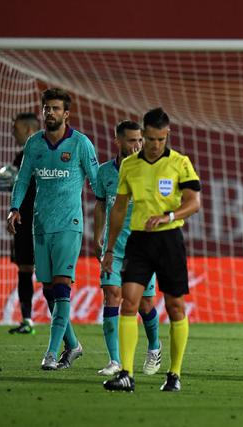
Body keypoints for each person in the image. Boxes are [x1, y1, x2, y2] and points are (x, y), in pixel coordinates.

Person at [102, 108, 201, 392]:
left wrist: (169, 216)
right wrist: (109, 249)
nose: (156, 145)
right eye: (151, 139)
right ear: (142, 136)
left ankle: (174, 373)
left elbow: (194, 203)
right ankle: (126, 373)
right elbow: (119, 207)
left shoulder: (180, 163)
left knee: (174, 306)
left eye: (161, 139)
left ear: (167, 135)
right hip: (139, 242)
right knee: (129, 303)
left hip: (169, 239)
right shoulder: (130, 166)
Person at [7, 88, 99, 370]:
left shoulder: (81, 144)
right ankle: (73, 344)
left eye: (56, 108)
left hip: (69, 226)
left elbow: (97, 185)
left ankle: (50, 354)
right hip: (40, 225)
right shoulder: (34, 145)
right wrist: (14, 207)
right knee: (49, 290)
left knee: (61, 286)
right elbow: (22, 180)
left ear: (66, 113)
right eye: (47, 108)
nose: (50, 113)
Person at [93, 120, 162, 376]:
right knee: (112, 294)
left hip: (143, 249)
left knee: (144, 305)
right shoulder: (104, 173)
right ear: (118, 141)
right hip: (114, 248)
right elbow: (101, 205)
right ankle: (115, 360)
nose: (137, 145)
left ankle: (154, 347)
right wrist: (97, 235)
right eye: (132, 140)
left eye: (140, 140)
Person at [0, 113, 40, 334]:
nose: (12, 132)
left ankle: (61, 323)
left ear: (27, 129)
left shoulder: (44, 154)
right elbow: (18, 186)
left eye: (15, 128)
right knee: (24, 269)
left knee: (52, 274)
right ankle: (27, 320)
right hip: (23, 219)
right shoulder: (18, 158)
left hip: (44, 220)